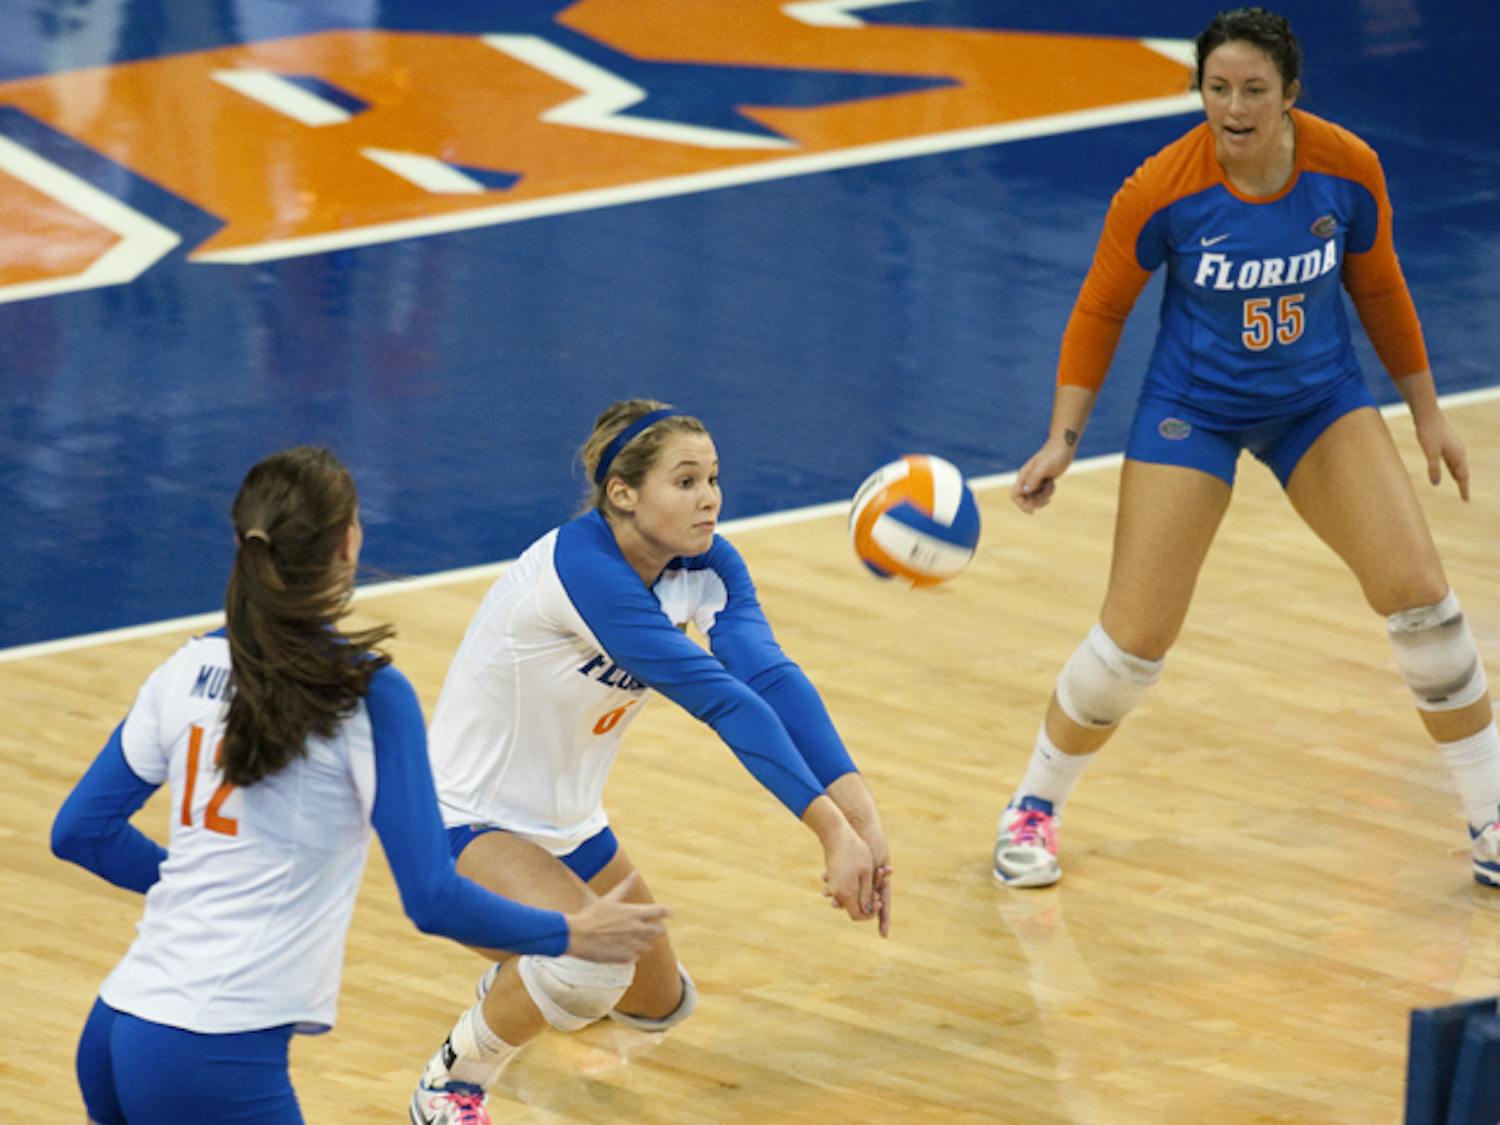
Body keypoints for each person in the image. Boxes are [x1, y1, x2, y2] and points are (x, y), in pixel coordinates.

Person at [991, 7, 1498, 890]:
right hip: (1195, 411)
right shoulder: (1161, 189)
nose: (1233, 107)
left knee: (1425, 607)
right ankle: (1034, 805)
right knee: (1135, 642)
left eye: (1253, 90)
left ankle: (1490, 815)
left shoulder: (1347, 169)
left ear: (1291, 95)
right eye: (1216, 88)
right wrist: (1062, 440)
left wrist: (1428, 413)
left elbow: (1378, 285)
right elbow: (1101, 309)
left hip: (1319, 403)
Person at [50, 446, 669, 1125]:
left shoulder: (184, 668)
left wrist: (198, 878)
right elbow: (432, 897)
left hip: (115, 1026)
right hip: (212, 1053)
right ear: (350, 543)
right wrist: (568, 932)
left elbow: (79, 832)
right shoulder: (366, 694)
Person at [410, 399, 893, 1124]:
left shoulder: (707, 567)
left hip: (570, 828)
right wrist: (827, 831)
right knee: (592, 965)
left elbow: (768, 679)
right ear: (623, 493)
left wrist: (864, 819)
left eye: (714, 478)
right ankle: (451, 1081)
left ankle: (524, 978)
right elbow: (724, 701)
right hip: (462, 822)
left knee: (661, 1002)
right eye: (687, 480)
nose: (710, 498)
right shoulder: (584, 568)